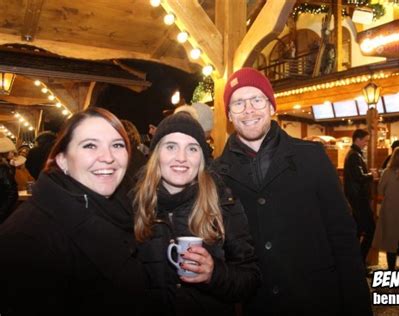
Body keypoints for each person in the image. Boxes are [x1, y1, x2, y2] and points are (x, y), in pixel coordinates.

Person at [214, 68, 371, 315]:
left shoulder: (312, 157)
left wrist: (358, 304)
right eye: (238, 103)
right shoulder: (216, 175)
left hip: (317, 300)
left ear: (271, 107)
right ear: (229, 115)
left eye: (257, 99)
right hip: (258, 304)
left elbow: (342, 234)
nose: (249, 109)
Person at [0, 108, 147, 315]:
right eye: (90, 145)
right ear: (62, 160)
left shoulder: (120, 208)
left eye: (117, 145)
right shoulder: (28, 237)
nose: (108, 157)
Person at [134, 112, 260, 315]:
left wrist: (214, 274)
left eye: (192, 148)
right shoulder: (133, 204)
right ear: (156, 154)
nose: (181, 158)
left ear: (202, 158)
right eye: (171, 147)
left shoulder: (223, 203)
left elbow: (250, 278)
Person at [343, 129, 376, 267]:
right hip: (359, 200)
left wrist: (368, 173)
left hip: (355, 200)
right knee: (370, 230)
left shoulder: (353, 154)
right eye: (366, 141)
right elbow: (359, 177)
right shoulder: (354, 155)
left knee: (357, 231)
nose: (366, 144)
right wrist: (371, 175)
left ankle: (354, 262)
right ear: (358, 139)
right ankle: (360, 262)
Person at [0, 134, 18, 223]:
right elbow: (12, 191)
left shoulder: (5, 167)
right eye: (10, 151)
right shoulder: (4, 168)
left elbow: (11, 191)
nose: (13, 153)